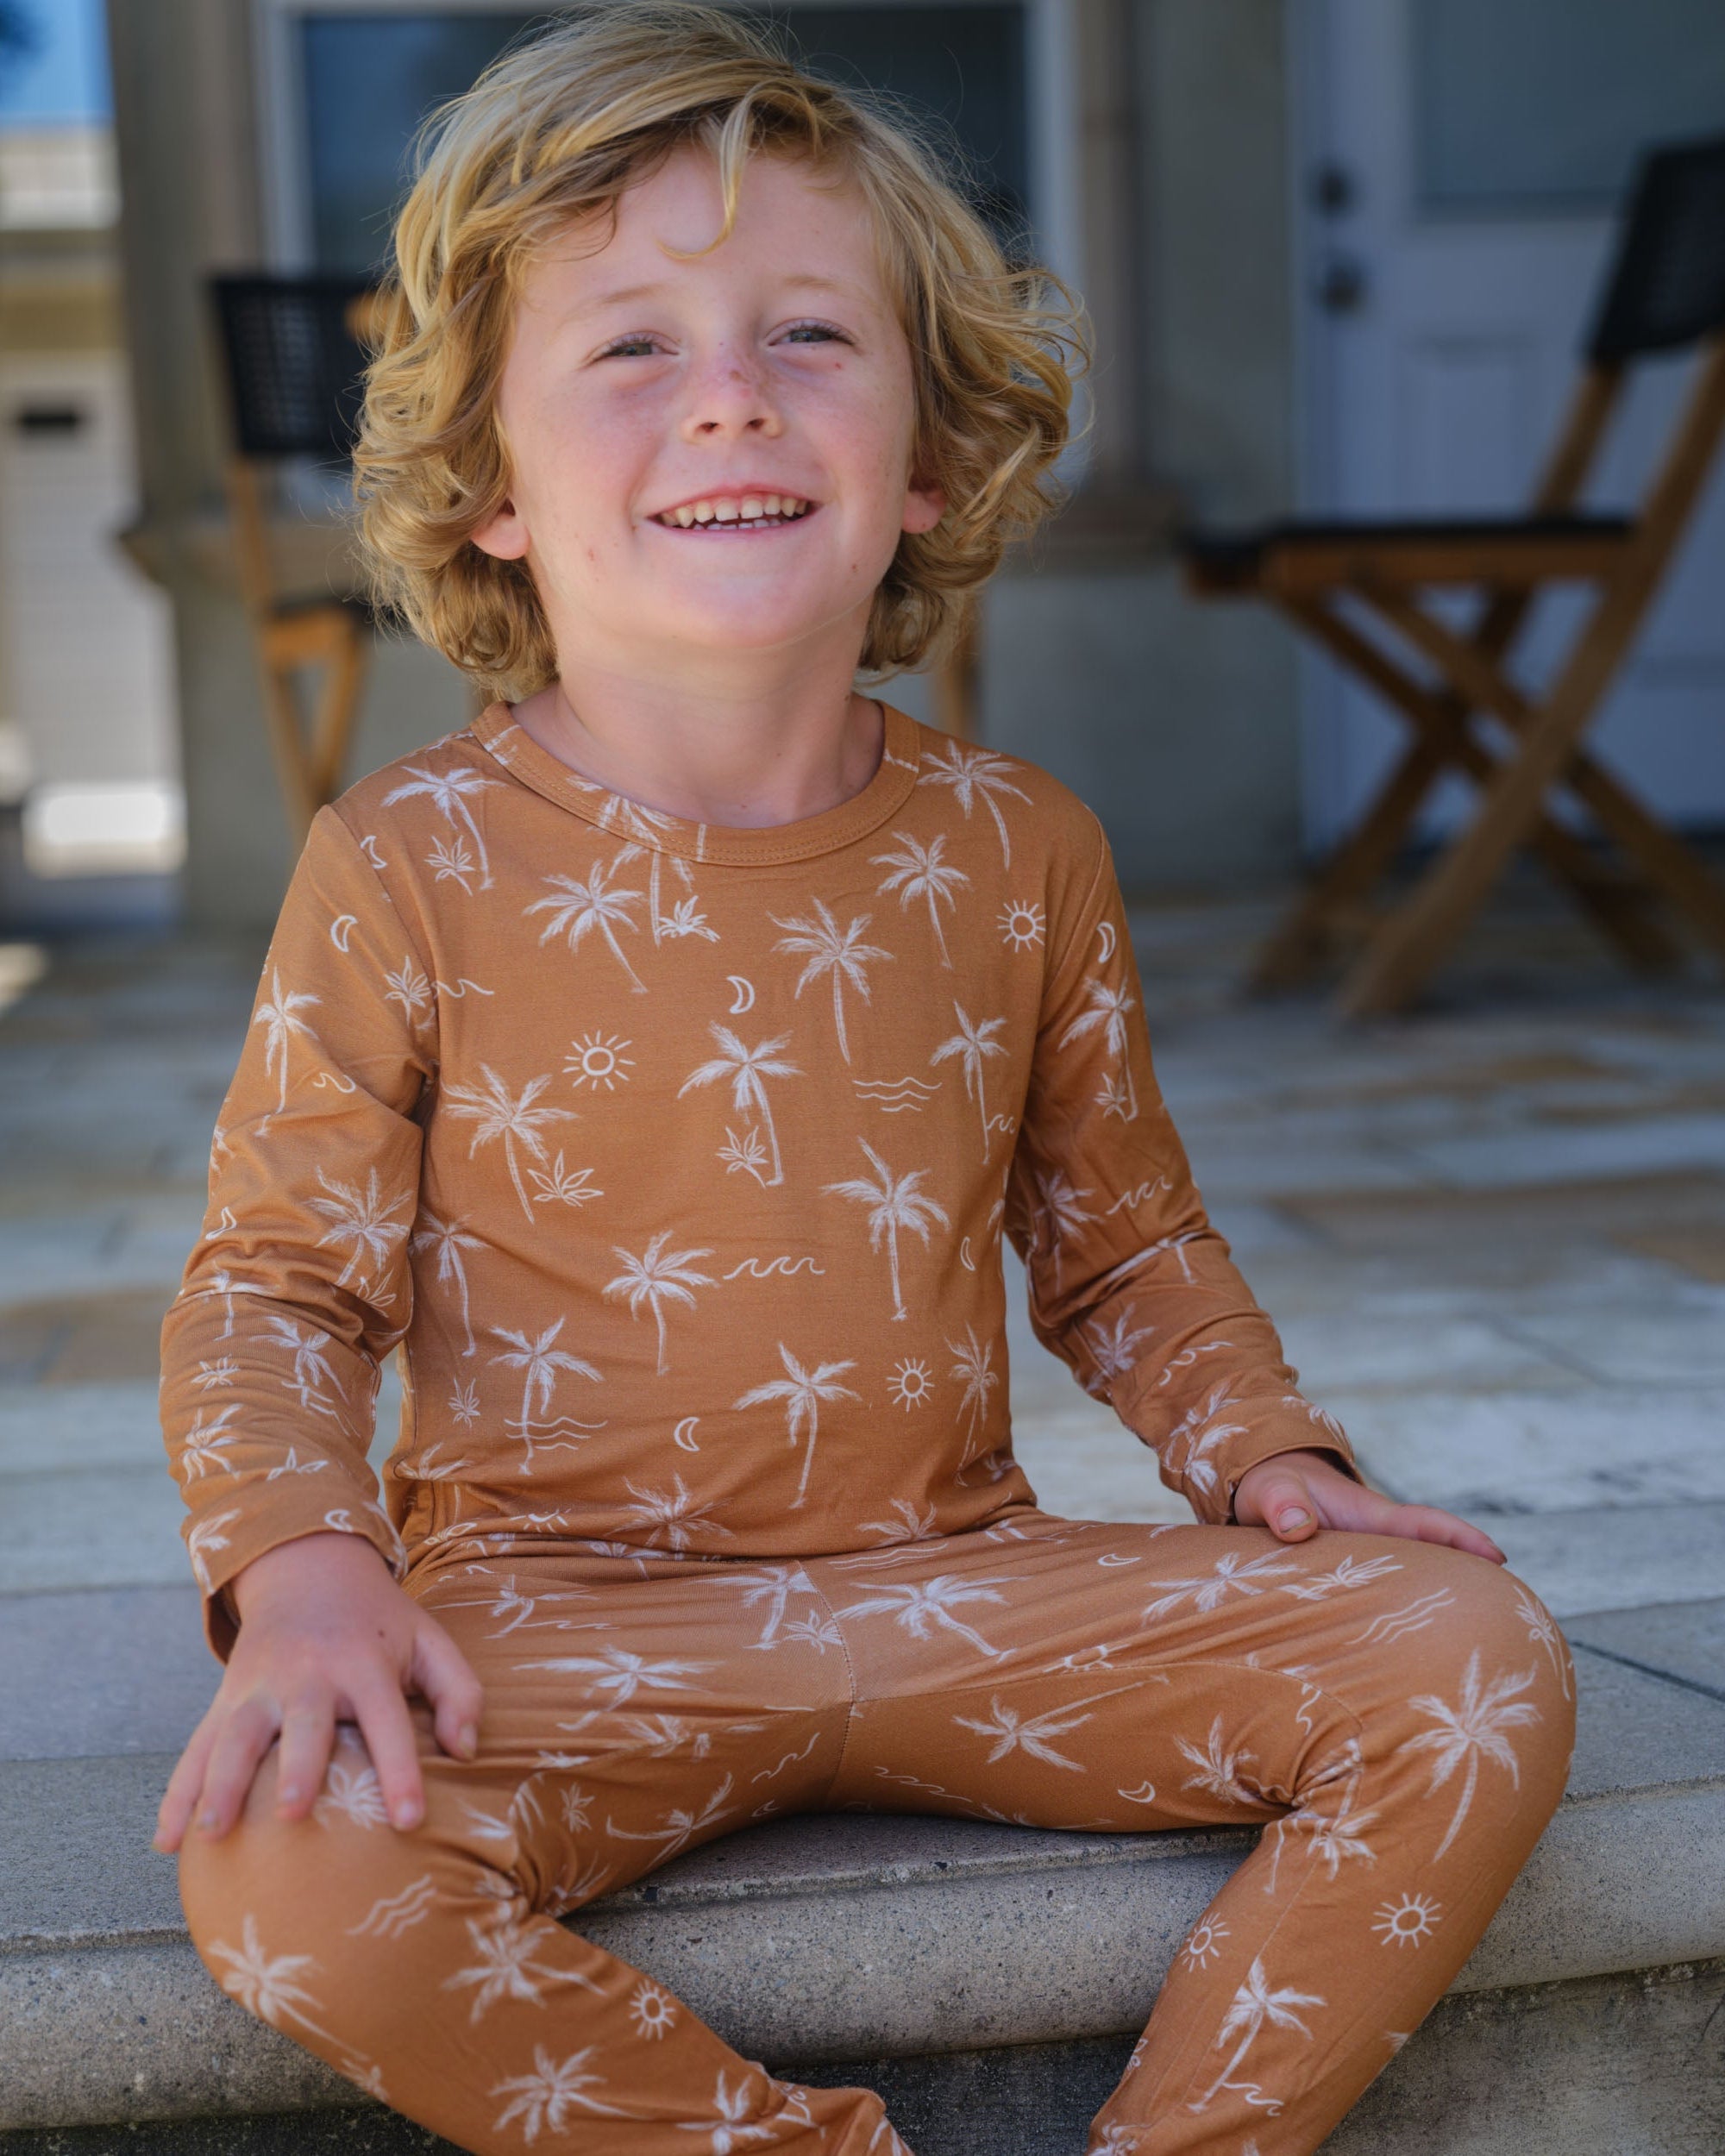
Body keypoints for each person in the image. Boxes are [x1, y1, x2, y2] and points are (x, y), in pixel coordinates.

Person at [153, 7, 1575, 2150]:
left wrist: (1265, 1453)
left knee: (1473, 1655)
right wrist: (303, 1563)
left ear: (925, 456)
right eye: (629, 347)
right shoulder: (402, 867)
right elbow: (275, 1287)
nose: (729, 387)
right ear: (489, 495)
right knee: (284, 1868)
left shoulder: (1022, 850)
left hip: (957, 1585)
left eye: (807, 331)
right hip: (557, 1614)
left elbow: (1123, 1241)